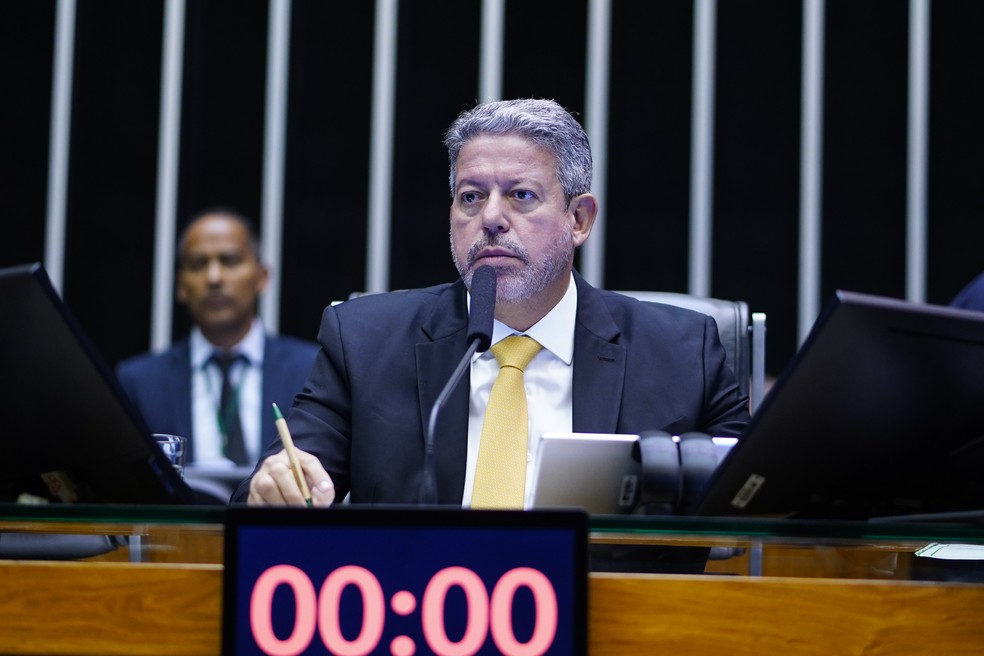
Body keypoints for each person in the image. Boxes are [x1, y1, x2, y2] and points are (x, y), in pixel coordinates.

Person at [233, 98, 750, 508]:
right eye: (471, 196)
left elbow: (760, 502)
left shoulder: (684, 352)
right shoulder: (365, 342)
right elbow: (272, 488)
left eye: (521, 195)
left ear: (580, 220)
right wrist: (274, 488)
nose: (491, 218)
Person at [116, 209, 319, 471]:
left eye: (230, 261)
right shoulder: (139, 382)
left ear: (262, 277)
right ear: (180, 286)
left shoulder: (310, 371)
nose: (214, 278)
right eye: (198, 264)